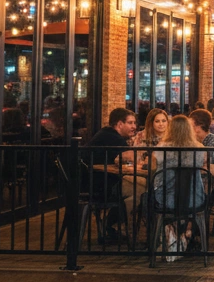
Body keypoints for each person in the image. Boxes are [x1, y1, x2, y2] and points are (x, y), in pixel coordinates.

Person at [151, 115, 207, 259]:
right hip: (194, 199)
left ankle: (169, 234)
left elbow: (153, 171)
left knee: (147, 197)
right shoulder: (199, 149)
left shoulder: (160, 148)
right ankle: (184, 234)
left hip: (166, 199)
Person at [85, 107, 140, 241]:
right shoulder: (113, 137)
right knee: (138, 191)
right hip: (97, 186)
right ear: (120, 124)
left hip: (89, 183)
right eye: (130, 123)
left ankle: (110, 227)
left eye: (134, 123)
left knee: (136, 189)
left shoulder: (105, 134)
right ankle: (110, 227)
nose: (134, 126)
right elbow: (133, 157)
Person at [190, 109, 214, 173]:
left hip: (211, 179)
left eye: (190, 125)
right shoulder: (197, 140)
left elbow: (210, 168)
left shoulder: (213, 143)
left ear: (199, 126)